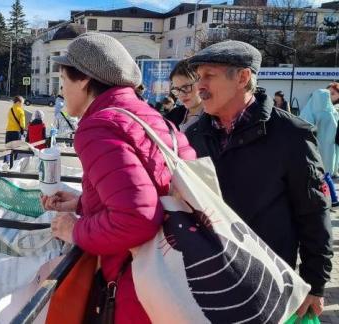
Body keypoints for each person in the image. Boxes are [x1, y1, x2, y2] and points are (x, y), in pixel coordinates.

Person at [41, 32, 196, 323]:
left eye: (63, 82)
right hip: (179, 272)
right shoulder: (150, 118)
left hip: (139, 289)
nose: (61, 92)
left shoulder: (98, 126)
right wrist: (82, 203)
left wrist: (74, 229)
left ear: (84, 79)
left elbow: (136, 219)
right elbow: (153, 186)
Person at [185, 40, 333, 318]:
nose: (199, 86)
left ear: (242, 77)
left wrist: (315, 283)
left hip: (268, 286)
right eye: (198, 77)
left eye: (209, 76)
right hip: (208, 280)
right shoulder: (193, 136)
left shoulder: (291, 134)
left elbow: (313, 213)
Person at [300, 89, 339, 207]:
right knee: (326, 174)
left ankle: (324, 199)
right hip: (329, 148)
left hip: (315, 148)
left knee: (316, 175)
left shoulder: (312, 112)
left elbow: (304, 127)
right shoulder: (332, 112)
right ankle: (333, 198)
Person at [167, 59, 204, 132]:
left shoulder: (215, 119)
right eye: (177, 89)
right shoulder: (173, 115)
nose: (181, 94)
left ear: (201, 83)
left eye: (186, 87)